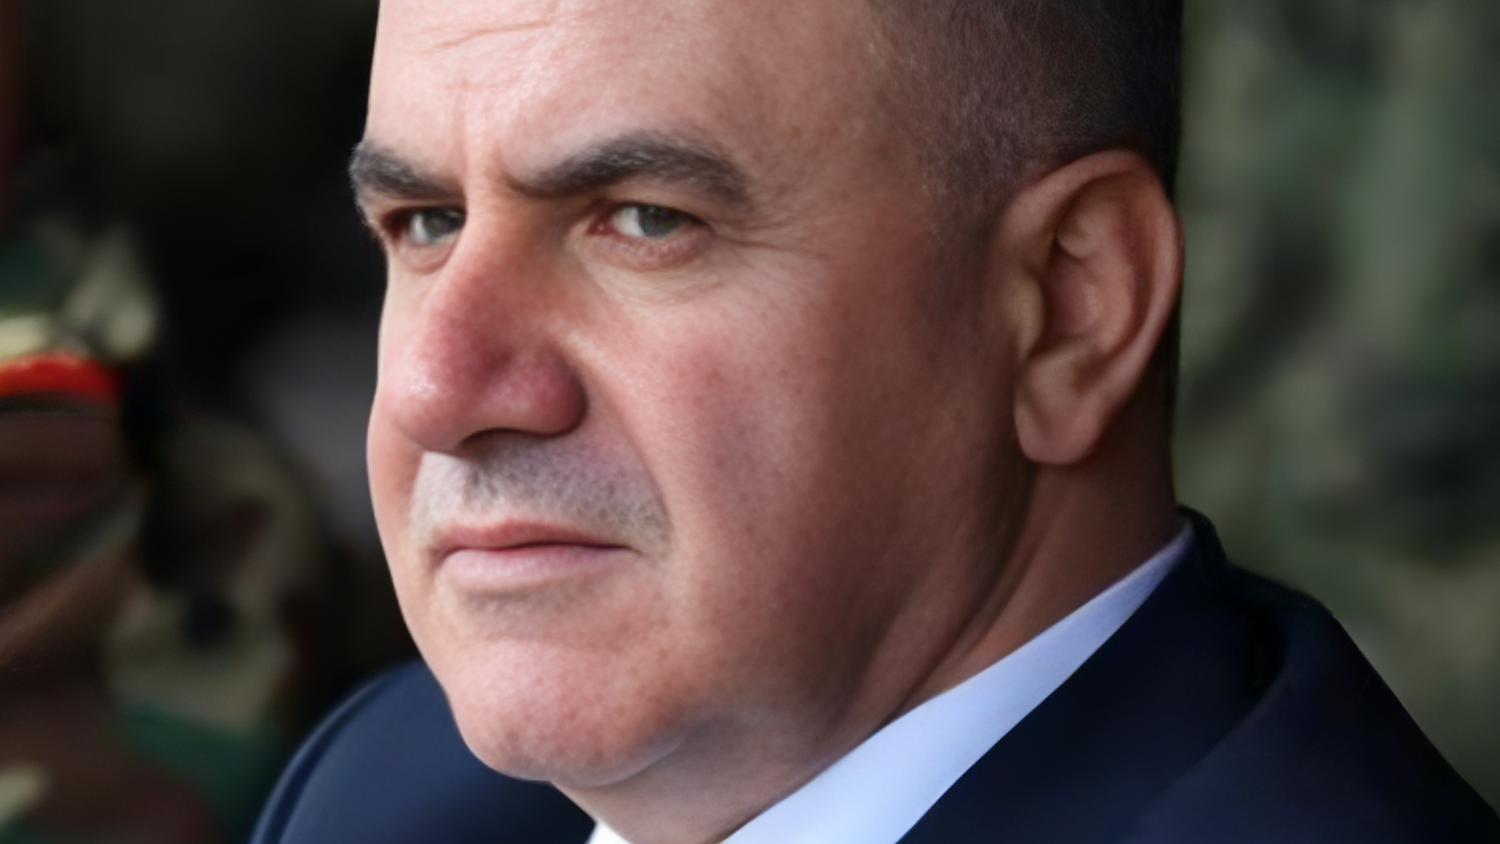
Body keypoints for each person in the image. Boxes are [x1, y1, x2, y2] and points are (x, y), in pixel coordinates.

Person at [252, 0, 1500, 842]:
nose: (433, 389)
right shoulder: (384, 788)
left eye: (644, 220)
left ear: (1071, 308)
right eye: (424, 223)